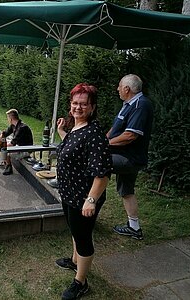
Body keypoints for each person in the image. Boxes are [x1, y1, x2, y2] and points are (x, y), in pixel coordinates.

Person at [55, 83, 112, 300]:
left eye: (83, 104)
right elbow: (72, 151)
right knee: (74, 230)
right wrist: (62, 132)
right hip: (70, 193)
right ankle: (74, 260)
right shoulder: (76, 128)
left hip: (83, 197)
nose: (78, 107)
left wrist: (91, 200)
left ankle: (81, 282)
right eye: (75, 103)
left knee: (83, 237)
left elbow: (103, 173)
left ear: (92, 107)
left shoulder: (94, 133)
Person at [107, 74, 154, 240]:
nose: (117, 89)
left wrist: (106, 145)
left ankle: (87, 207)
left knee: (93, 164)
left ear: (127, 89)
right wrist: (103, 140)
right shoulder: (128, 105)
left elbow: (130, 136)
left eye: (119, 86)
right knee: (127, 191)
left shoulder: (141, 105)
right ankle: (135, 228)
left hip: (129, 158)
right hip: (123, 155)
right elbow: (115, 129)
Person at [0, 109, 33, 175]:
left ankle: (8, 167)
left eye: (8, 118)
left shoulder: (22, 128)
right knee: (3, 144)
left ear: (11, 118)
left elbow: (12, 144)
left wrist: (0, 149)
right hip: (19, 146)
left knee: (5, 151)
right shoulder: (13, 125)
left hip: (25, 149)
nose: (7, 120)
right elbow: (4, 134)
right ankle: (5, 161)